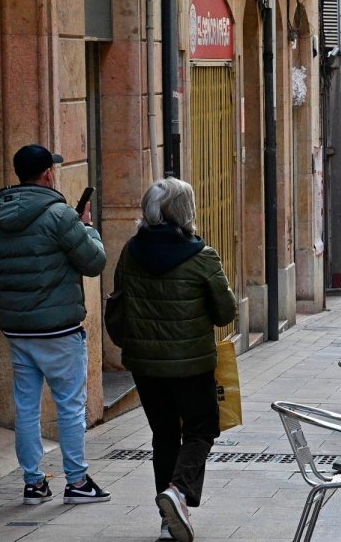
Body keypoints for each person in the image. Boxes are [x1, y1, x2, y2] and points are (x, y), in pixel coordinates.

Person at [107, 178, 237, 542]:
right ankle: (177, 492)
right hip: (191, 363)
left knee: (164, 434)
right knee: (202, 428)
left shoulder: (131, 251)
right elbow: (225, 312)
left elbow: (120, 301)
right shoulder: (202, 256)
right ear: (185, 211)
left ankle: (168, 522)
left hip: (146, 364)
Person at [0, 145, 108, 508]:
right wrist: (87, 228)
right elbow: (94, 263)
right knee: (70, 405)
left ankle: (33, 484)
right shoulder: (60, 215)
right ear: (47, 174)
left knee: (26, 406)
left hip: (16, 327)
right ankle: (76, 481)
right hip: (58, 329)